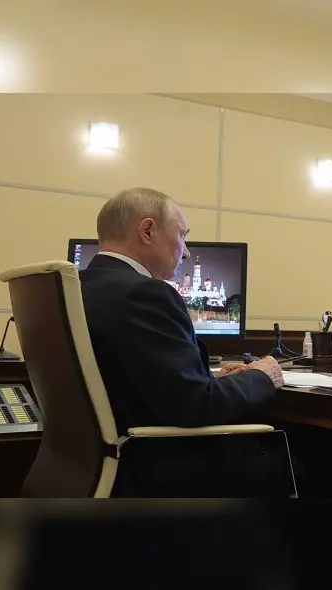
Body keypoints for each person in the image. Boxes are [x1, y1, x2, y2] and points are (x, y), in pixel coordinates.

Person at [79, 187, 286, 496]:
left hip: (100, 466)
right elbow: (196, 406)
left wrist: (209, 378)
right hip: (163, 468)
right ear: (148, 230)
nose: (186, 251)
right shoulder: (146, 293)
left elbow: (142, 380)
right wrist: (262, 376)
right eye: (182, 235)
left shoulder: (79, 286)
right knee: (322, 464)